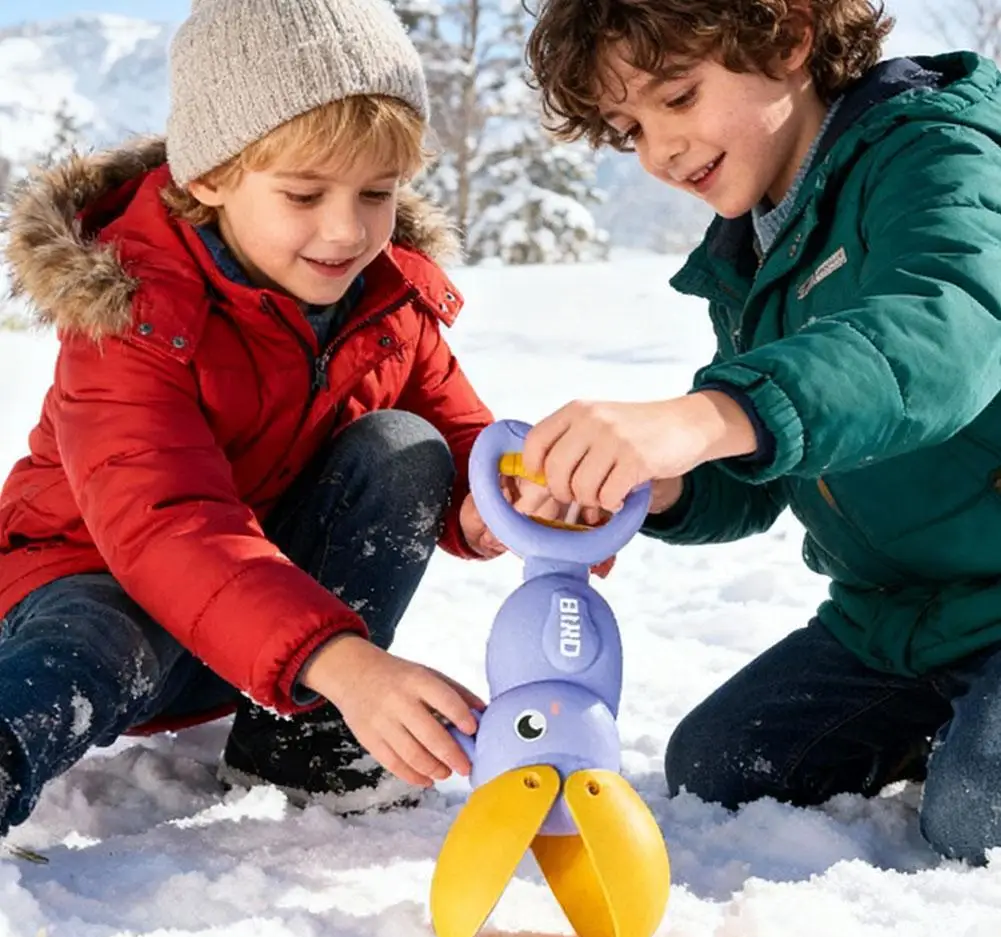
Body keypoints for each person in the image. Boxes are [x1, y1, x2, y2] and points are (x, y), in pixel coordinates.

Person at [0, 0, 516, 838]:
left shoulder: (386, 299)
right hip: (98, 592)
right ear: (210, 176)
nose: (346, 229)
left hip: (270, 643)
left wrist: (503, 500)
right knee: (98, 639)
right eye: (304, 193)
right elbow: (168, 526)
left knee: (401, 447)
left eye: (376, 192)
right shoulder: (135, 314)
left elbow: (459, 439)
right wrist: (345, 662)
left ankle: (302, 742)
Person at [522, 0, 1001, 863]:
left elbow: (943, 337)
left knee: (974, 815)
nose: (657, 150)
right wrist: (658, 480)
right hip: (898, 621)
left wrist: (704, 416)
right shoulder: (751, 253)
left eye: (677, 97)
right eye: (628, 126)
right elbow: (761, 464)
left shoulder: (936, 153)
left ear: (785, 37)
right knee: (720, 767)